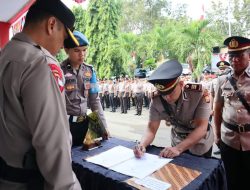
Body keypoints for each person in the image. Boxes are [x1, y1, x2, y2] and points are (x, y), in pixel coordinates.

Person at [0, 0, 82, 189]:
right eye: (64, 38)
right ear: (51, 24)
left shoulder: (5, 55)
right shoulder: (40, 63)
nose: (62, 46)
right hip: (26, 181)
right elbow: (53, 145)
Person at [134, 60, 214, 158]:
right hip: (177, 140)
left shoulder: (198, 93)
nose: (167, 97)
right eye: (163, 94)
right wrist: (142, 145)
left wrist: (178, 149)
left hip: (200, 143)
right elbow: (151, 129)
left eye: (171, 92)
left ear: (180, 84)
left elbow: (201, 128)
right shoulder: (156, 99)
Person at [214, 36, 250, 190]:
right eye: (232, 56)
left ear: (249, 55)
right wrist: (217, 136)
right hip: (228, 140)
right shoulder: (222, 80)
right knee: (231, 179)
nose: (235, 60)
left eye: (240, 56)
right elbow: (217, 109)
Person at [61, 31, 109, 147]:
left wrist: (103, 127)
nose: (82, 54)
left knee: (90, 156)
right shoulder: (59, 70)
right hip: (64, 125)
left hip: (85, 124)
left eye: (84, 50)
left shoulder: (89, 71)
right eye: (77, 50)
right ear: (66, 50)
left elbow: (94, 100)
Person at [210, 60, 231, 155]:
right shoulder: (215, 80)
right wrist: (211, 108)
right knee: (219, 129)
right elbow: (212, 96)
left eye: (224, 69)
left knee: (227, 129)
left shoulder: (231, 79)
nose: (222, 70)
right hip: (218, 108)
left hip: (227, 110)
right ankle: (221, 147)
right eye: (220, 69)